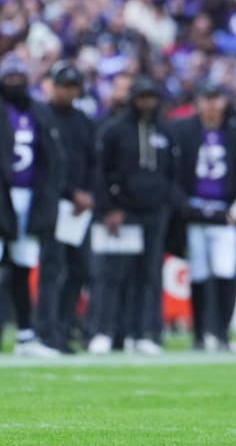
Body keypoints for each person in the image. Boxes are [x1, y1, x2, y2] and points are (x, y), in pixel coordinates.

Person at [87, 76, 180, 355]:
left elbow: (172, 173)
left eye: (151, 97)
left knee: (148, 275)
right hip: (123, 212)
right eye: (142, 97)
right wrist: (108, 209)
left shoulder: (165, 131)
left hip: (154, 213)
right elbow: (100, 173)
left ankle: (141, 333)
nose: (146, 103)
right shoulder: (114, 130)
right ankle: (103, 330)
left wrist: (166, 203)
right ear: (133, 99)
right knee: (111, 274)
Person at [171, 83, 236, 351]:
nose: (211, 106)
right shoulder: (182, 130)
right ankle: (200, 334)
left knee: (226, 271)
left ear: (223, 102)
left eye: (216, 99)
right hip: (194, 212)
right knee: (198, 274)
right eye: (206, 99)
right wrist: (182, 204)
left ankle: (221, 333)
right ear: (198, 101)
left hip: (226, 212)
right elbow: (171, 172)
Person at [0, 53, 64, 357]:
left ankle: (26, 334)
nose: (14, 82)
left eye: (19, 77)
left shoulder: (39, 111)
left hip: (30, 197)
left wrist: (48, 196)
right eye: (9, 77)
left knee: (22, 266)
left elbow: (53, 157)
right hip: (2, 195)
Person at [35, 62, 95, 353]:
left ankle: (63, 327)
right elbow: (47, 165)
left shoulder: (83, 120)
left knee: (80, 269)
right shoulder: (42, 116)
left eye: (73, 87)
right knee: (52, 269)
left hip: (80, 210)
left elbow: (94, 161)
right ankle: (45, 331)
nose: (68, 92)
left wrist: (89, 194)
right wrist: (73, 193)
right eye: (63, 86)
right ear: (53, 86)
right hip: (53, 203)